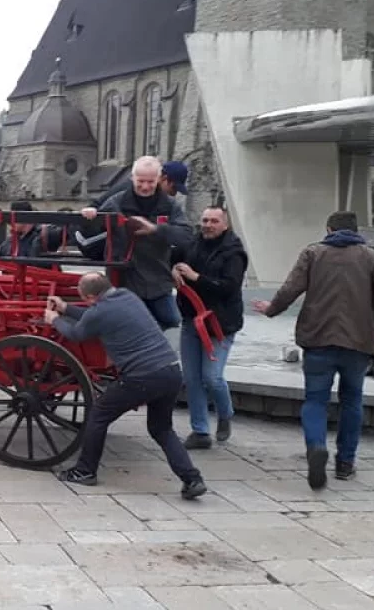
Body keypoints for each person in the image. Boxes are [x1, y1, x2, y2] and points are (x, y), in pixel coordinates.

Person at [252, 211, 374, 489]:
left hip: (318, 339)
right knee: (352, 401)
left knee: (315, 400)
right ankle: (345, 463)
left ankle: (315, 446)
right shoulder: (372, 257)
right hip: (358, 343)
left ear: (329, 229)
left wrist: (272, 309)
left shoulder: (313, 253)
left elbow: (290, 289)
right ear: (357, 231)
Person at [45, 273, 207, 499]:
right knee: (162, 429)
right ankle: (192, 479)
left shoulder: (99, 311)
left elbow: (77, 333)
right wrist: (67, 308)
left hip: (142, 376)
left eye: (85, 298)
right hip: (170, 370)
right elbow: (94, 316)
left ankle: (84, 471)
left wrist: (54, 319)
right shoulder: (127, 296)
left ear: (91, 297)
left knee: (98, 414)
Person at [79, 156, 194, 329]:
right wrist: (90, 216)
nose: (146, 186)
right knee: (132, 325)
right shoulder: (117, 202)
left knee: (171, 319)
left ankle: (149, 345)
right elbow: (88, 232)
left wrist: (155, 229)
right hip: (127, 280)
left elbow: (186, 235)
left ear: (158, 179)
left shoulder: (169, 205)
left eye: (150, 181)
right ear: (132, 178)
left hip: (157, 279)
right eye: (141, 181)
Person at [172, 206, 249, 449]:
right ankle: (200, 431)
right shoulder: (193, 244)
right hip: (191, 318)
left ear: (225, 224)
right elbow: (171, 259)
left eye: (214, 221)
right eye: (205, 220)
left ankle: (225, 414)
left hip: (220, 324)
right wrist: (173, 270)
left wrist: (196, 278)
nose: (207, 224)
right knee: (191, 378)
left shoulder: (235, 254)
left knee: (212, 377)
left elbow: (228, 287)